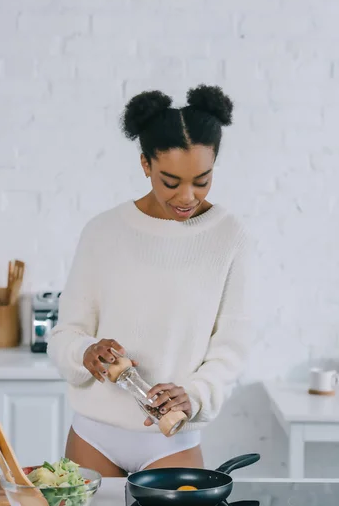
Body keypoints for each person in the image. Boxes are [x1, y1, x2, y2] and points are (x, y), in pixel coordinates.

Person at [47, 84, 248, 477]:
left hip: (172, 440)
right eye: (170, 182)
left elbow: (231, 349)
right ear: (145, 165)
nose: (187, 196)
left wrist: (193, 394)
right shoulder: (103, 232)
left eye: (202, 180)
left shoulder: (229, 236)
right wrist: (86, 352)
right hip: (93, 438)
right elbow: (65, 335)